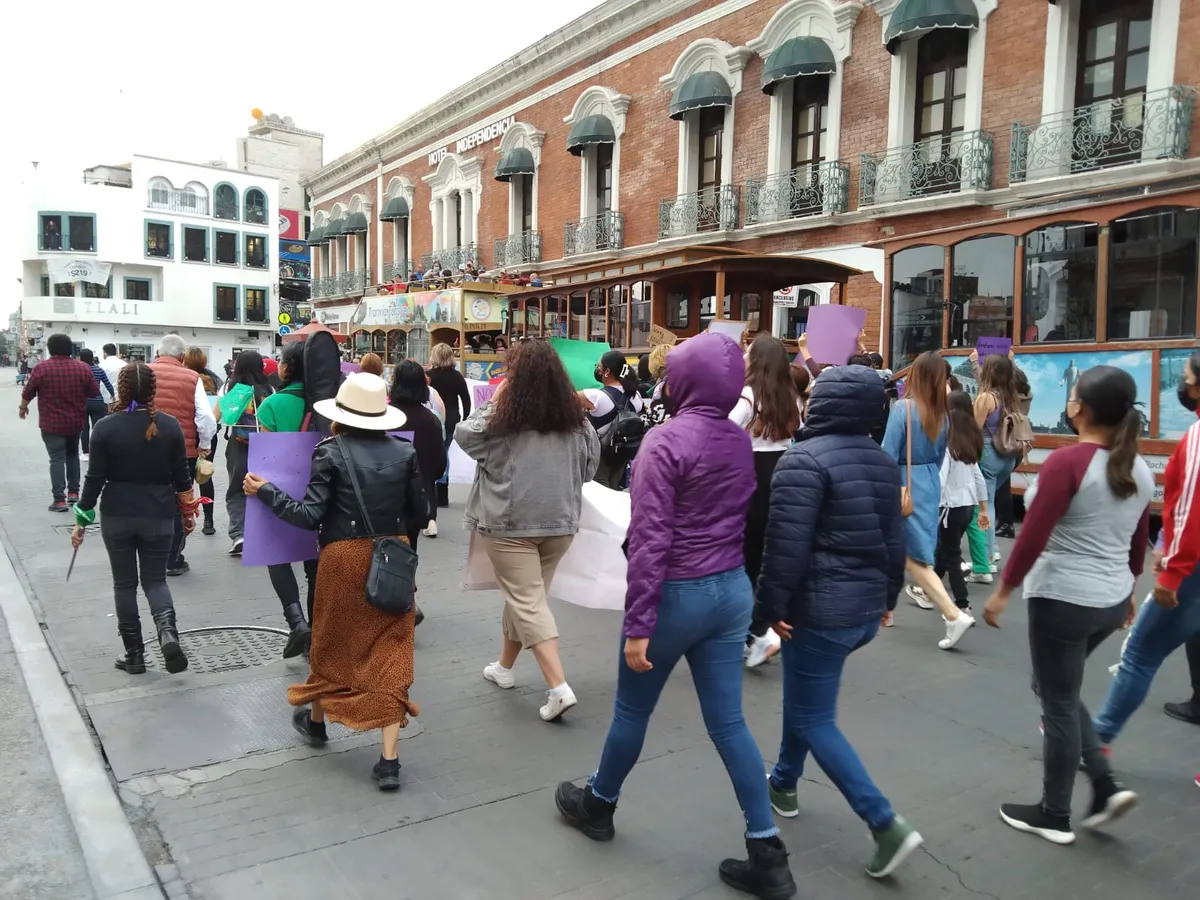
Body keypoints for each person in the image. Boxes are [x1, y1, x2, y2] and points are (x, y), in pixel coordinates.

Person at [555, 333, 796, 899]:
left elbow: (650, 540)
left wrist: (639, 626)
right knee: (729, 723)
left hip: (675, 596)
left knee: (631, 712)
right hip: (729, 590)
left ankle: (599, 804)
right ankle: (766, 848)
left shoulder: (664, 442)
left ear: (682, 381)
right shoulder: (740, 441)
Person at [756, 365, 922, 879]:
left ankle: (884, 821)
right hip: (864, 608)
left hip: (820, 611)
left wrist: (766, 612)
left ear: (819, 403)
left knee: (813, 717)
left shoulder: (802, 460)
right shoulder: (880, 461)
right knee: (807, 702)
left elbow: (784, 548)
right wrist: (889, 594)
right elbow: (895, 538)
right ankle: (783, 782)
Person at [983, 365, 1151, 845]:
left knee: (1056, 700)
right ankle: (1103, 783)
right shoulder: (1135, 465)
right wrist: (1132, 592)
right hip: (1111, 598)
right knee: (1057, 685)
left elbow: (1033, 533)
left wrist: (1002, 591)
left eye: (1073, 394)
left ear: (1080, 408)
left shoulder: (1068, 463)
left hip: (1064, 598)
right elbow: (1138, 539)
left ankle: (1054, 813)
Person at [245, 373, 426, 792]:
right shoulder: (404, 451)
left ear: (342, 414)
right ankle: (389, 760)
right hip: (392, 556)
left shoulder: (329, 452)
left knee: (331, 639)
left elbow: (309, 516)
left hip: (342, 558)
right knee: (392, 648)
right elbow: (421, 511)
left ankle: (316, 722)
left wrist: (267, 491)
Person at [456, 339, 600, 722]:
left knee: (528, 601)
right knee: (526, 597)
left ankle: (558, 687)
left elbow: (464, 434)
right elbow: (589, 468)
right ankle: (504, 667)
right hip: (561, 523)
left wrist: (496, 398)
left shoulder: (503, 419)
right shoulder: (576, 420)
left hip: (509, 522)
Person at [1091, 352, 1200, 758]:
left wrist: (1171, 570)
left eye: (1186, 379)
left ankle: (1099, 740)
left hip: (1192, 570)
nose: (1182, 386)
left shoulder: (1198, 439)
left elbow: (1190, 509)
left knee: (1139, 654)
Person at [71, 362, 197, 675]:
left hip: (117, 513)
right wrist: (188, 512)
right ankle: (168, 633)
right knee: (155, 580)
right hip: (158, 511)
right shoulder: (169, 426)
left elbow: (94, 479)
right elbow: (183, 477)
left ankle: (134, 654)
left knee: (124, 585)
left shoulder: (105, 427)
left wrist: (81, 521)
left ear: (122, 389)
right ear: (152, 389)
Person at [881, 351, 974, 649]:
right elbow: (937, 458)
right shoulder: (943, 415)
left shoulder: (903, 409)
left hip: (902, 483)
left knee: (909, 554)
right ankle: (887, 609)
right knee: (906, 548)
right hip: (928, 482)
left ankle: (951, 613)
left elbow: (887, 453)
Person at [731, 335, 800, 668]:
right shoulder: (789, 396)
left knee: (744, 559)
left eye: (747, 353)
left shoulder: (747, 396)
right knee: (767, 558)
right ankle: (766, 628)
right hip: (782, 475)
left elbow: (725, 433)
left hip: (750, 475)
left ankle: (756, 633)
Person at [253, 341, 316, 657]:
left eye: (280, 360)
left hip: (282, 490)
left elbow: (267, 457)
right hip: (321, 491)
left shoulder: (272, 405)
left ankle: (297, 623)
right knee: (315, 563)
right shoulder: (327, 402)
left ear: (288, 368)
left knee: (277, 557)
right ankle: (318, 632)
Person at [906, 391, 988, 615]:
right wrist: (983, 508)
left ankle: (962, 604)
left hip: (949, 507)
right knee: (944, 551)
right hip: (967, 507)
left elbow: (940, 481)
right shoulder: (969, 447)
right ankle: (926, 590)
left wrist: (926, 504)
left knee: (951, 556)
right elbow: (979, 478)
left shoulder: (947, 448)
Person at [150, 335, 217, 575]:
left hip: (145, 449)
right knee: (179, 502)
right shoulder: (191, 377)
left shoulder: (143, 373)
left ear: (158, 354)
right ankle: (172, 558)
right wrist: (205, 445)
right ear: (181, 357)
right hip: (183, 451)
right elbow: (205, 417)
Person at [19, 333, 99, 512]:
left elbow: (28, 391)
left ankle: (59, 500)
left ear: (50, 348)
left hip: (51, 423)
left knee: (56, 458)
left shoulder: (42, 368)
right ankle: (73, 494)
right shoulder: (82, 368)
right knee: (72, 455)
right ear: (70, 348)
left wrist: (22, 408)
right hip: (75, 421)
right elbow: (94, 391)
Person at [217, 351, 272, 556]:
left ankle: (239, 534)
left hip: (239, 444)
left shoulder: (230, 389)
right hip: (265, 444)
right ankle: (262, 533)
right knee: (262, 488)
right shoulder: (269, 389)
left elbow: (217, 416)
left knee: (236, 490)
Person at [389, 360, 446, 553]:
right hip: (416, 500)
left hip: (382, 500)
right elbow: (440, 465)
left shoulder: (384, 417)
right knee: (408, 555)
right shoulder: (431, 420)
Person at [973, 353, 1023, 565]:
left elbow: (974, 429)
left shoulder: (985, 398)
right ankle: (990, 550)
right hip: (1008, 457)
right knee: (990, 501)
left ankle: (987, 556)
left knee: (986, 506)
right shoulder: (1011, 396)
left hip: (988, 452)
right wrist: (1011, 360)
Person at [581, 350, 644, 490]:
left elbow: (563, 398)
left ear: (607, 371)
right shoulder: (636, 396)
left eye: (598, 366)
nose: (597, 369)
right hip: (621, 456)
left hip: (599, 458)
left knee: (598, 498)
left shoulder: (595, 396)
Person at [427, 342, 472, 519]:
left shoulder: (428, 376)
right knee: (444, 452)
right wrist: (466, 418)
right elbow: (466, 400)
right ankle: (443, 491)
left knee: (430, 453)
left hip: (432, 419)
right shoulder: (457, 377)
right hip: (452, 419)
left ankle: (430, 488)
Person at [184, 348, 220, 536]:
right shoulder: (213, 379)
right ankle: (209, 519)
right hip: (210, 432)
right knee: (205, 475)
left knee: (185, 476)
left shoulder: (185, 378)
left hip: (188, 432)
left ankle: (186, 515)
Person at [78, 348, 115, 458]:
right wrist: (112, 395)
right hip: (97, 402)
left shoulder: (79, 370)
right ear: (92, 358)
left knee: (84, 428)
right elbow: (108, 384)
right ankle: (97, 452)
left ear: (81, 358)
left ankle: (85, 453)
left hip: (83, 402)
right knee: (97, 427)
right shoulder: (99, 370)